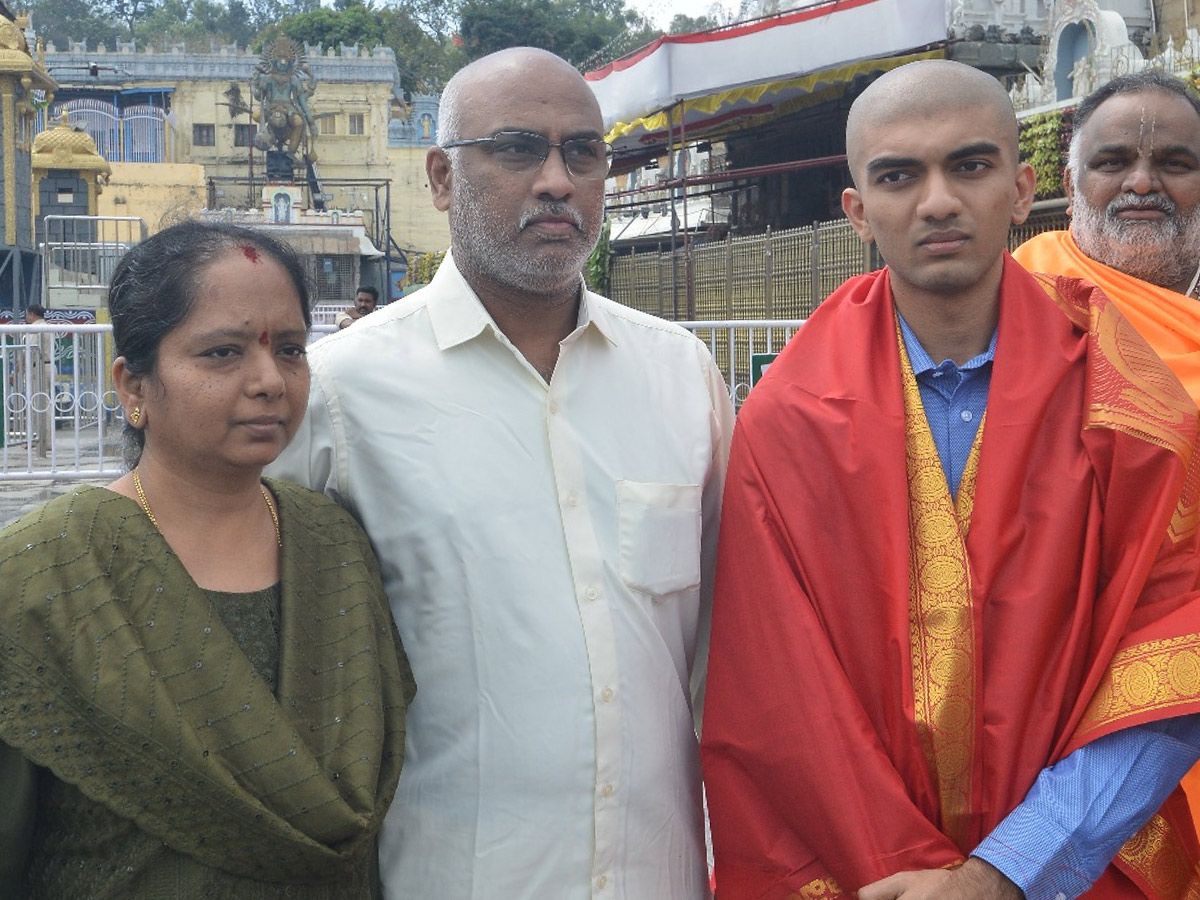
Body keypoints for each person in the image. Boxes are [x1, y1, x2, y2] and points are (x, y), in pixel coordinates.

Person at [702, 59, 1200, 900]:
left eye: (969, 166)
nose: (937, 201)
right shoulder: (786, 417)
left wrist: (1006, 872)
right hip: (860, 873)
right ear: (858, 210)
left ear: (1020, 188)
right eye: (899, 175)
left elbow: (1173, 658)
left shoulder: (1127, 404)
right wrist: (911, 878)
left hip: (1075, 869)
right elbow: (779, 695)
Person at [270, 46, 732, 900]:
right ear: (442, 177)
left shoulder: (682, 378)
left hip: (658, 874)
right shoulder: (342, 391)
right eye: (519, 148)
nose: (558, 179)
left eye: (583, 153)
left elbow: (728, 648)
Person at [0, 220, 414, 899]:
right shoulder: (40, 576)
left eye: (289, 349)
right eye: (223, 353)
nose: (269, 382)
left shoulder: (335, 545)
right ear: (134, 386)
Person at [1013, 70, 1200, 400]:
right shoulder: (1023, 286)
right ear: (1072, 189)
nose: (1141, 184)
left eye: (1174, 164)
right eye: (1113, 163)